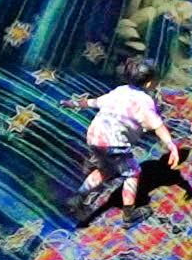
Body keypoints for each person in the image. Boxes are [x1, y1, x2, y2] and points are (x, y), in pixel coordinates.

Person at [76, 59, 184, 223]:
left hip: (95, 137)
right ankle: (129, 215)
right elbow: (158, 126)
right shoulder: (144, 101)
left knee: (106, 169)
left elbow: (95, 102)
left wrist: (75, 103)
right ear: (149, 83)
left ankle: (77, 198)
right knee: (132, 173)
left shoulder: (120, 90)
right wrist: (171, 145)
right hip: (114, 143)